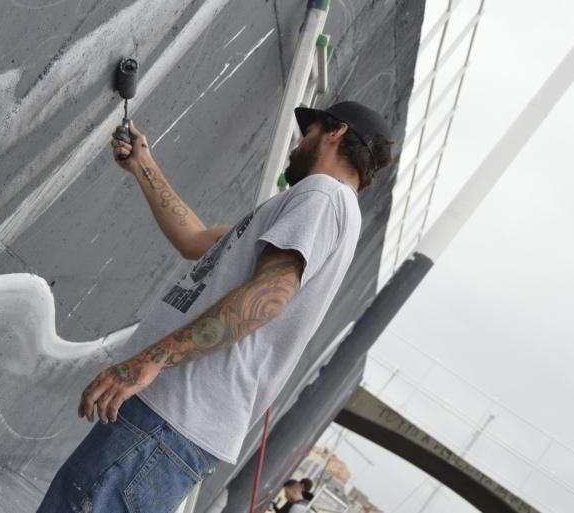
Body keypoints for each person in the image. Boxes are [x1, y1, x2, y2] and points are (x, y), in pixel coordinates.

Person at [36, 102, 394, 513]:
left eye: (307, 132)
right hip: (178, 423)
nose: (298, 144)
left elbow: (270, 296)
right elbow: (197, 239)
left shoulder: (324, 195)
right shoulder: (321, 212)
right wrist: (143, 164)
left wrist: (150, 361)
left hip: (173, 416)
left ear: (335, 132)